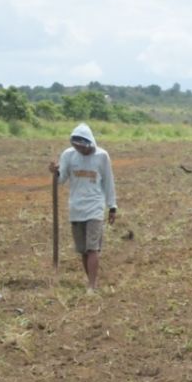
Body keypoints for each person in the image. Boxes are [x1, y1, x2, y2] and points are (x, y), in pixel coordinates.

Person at [49, 123, 118, 291]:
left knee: (92, 247)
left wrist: (112, 206)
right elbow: (61, 179)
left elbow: (109, 181)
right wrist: (54, 172)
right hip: (76, 209)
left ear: (90, 143)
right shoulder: (69, 155)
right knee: (83, 250)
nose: (81, 150)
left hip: (95, 207)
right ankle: (90, 281)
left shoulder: (102, 156)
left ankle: (92, 286)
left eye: (83, 147)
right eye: (77, 147)